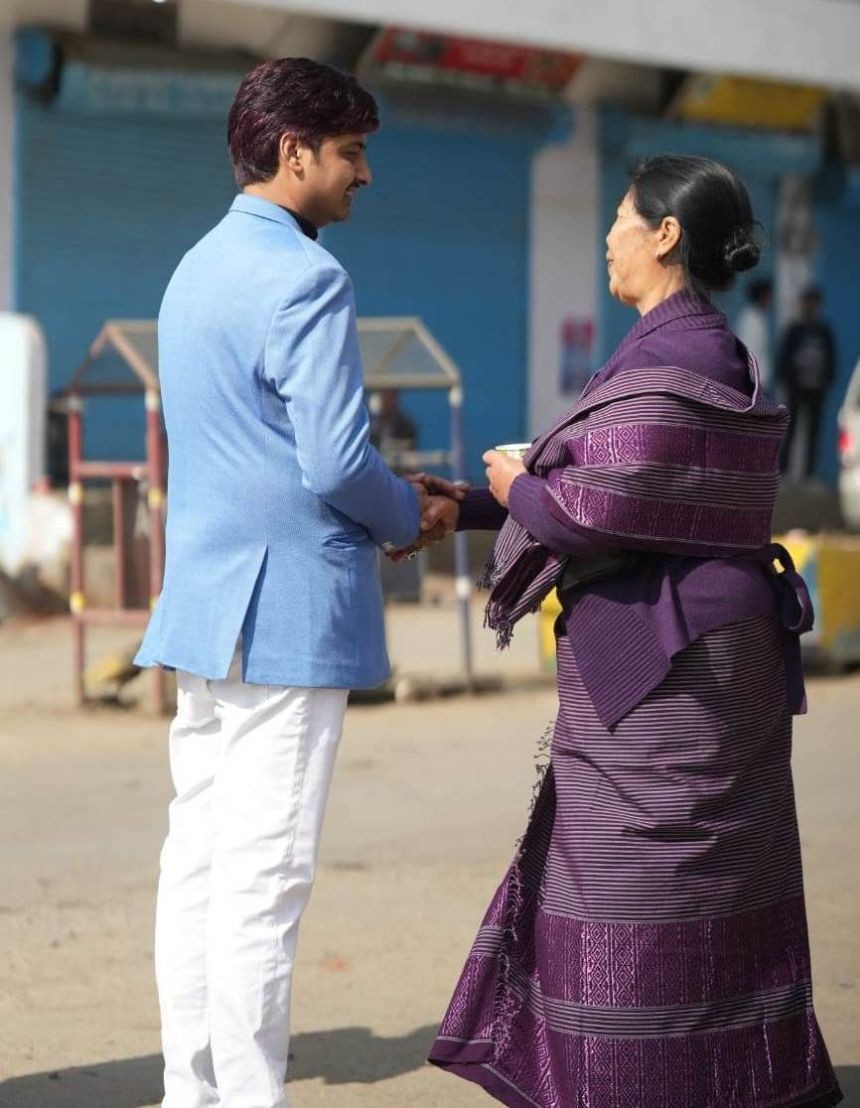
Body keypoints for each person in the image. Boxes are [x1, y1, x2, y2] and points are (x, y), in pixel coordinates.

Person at [418, 155, 841, 1107]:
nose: (607, 234)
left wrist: (511, 488)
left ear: (664, 235)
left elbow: (585, 514)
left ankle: (629, 1080)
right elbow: (636, 499)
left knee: (626, 894)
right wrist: (471, 506)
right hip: (715, 657)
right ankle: (727, 1078)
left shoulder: (670, 362)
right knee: (707, 886)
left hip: (667, 671)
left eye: (620, 217)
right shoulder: (695, 353)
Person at [134, 58, 457, 1108]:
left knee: (198, 867)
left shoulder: (192, 268)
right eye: (351, 151)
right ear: (293, 152)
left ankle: (193, 1091)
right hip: (287, 619)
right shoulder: (309, 278)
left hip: (205, 611)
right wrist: (411, 514)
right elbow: (333, 463)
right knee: (262, 881)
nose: (362, 175)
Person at [778, 286, 837, 479]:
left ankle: (809, 474)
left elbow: (831, 358)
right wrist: (786, 380)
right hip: (796, 388)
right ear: (804, 304)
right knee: (791, 428)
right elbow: (785, 357)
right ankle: (784, 471)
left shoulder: (824, 331)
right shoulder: (795, 329)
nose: (812, 306)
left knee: (814, 432)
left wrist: (828, 380)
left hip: (817, 389)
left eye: (815, 302)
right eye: (809, 302)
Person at [736, 276, 774, 392]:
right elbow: (748, 353)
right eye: (768, 295)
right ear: (762, 297)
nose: (771, 299)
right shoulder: (750, 320)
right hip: (754, 384)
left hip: (759, 382)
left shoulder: (759, 318)